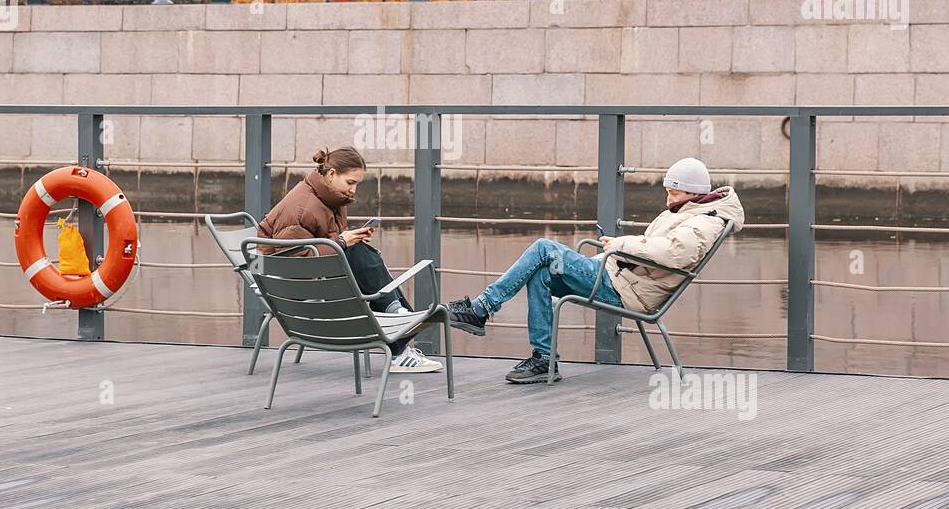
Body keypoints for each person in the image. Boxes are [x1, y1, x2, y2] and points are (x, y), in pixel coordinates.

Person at [445, 157, 744, 384]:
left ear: (692, 192)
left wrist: (619, 244)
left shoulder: (705, 222)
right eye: (668, 193)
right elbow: (656, 250)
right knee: (540, 271)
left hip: (624, 290)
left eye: (674, 194)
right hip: (616, 276)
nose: (668, 201)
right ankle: (543, 359)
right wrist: (615, 251)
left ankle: (482, 309)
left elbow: (672, 254)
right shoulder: (689, 212)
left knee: (543, 248)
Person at [257, 146, 443, 374]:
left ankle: (398, 331)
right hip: (293, 289)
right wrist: (342, 242)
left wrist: (347, 239)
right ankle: (398, 327)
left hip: (318, 278)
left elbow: (321, 246)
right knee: (356, 256)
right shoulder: (302, 209)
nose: (354, 190)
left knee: (359, 254)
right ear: (332, 174)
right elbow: (294, 266)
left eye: (357, 184)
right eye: (350, 183)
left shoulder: (329, 199)